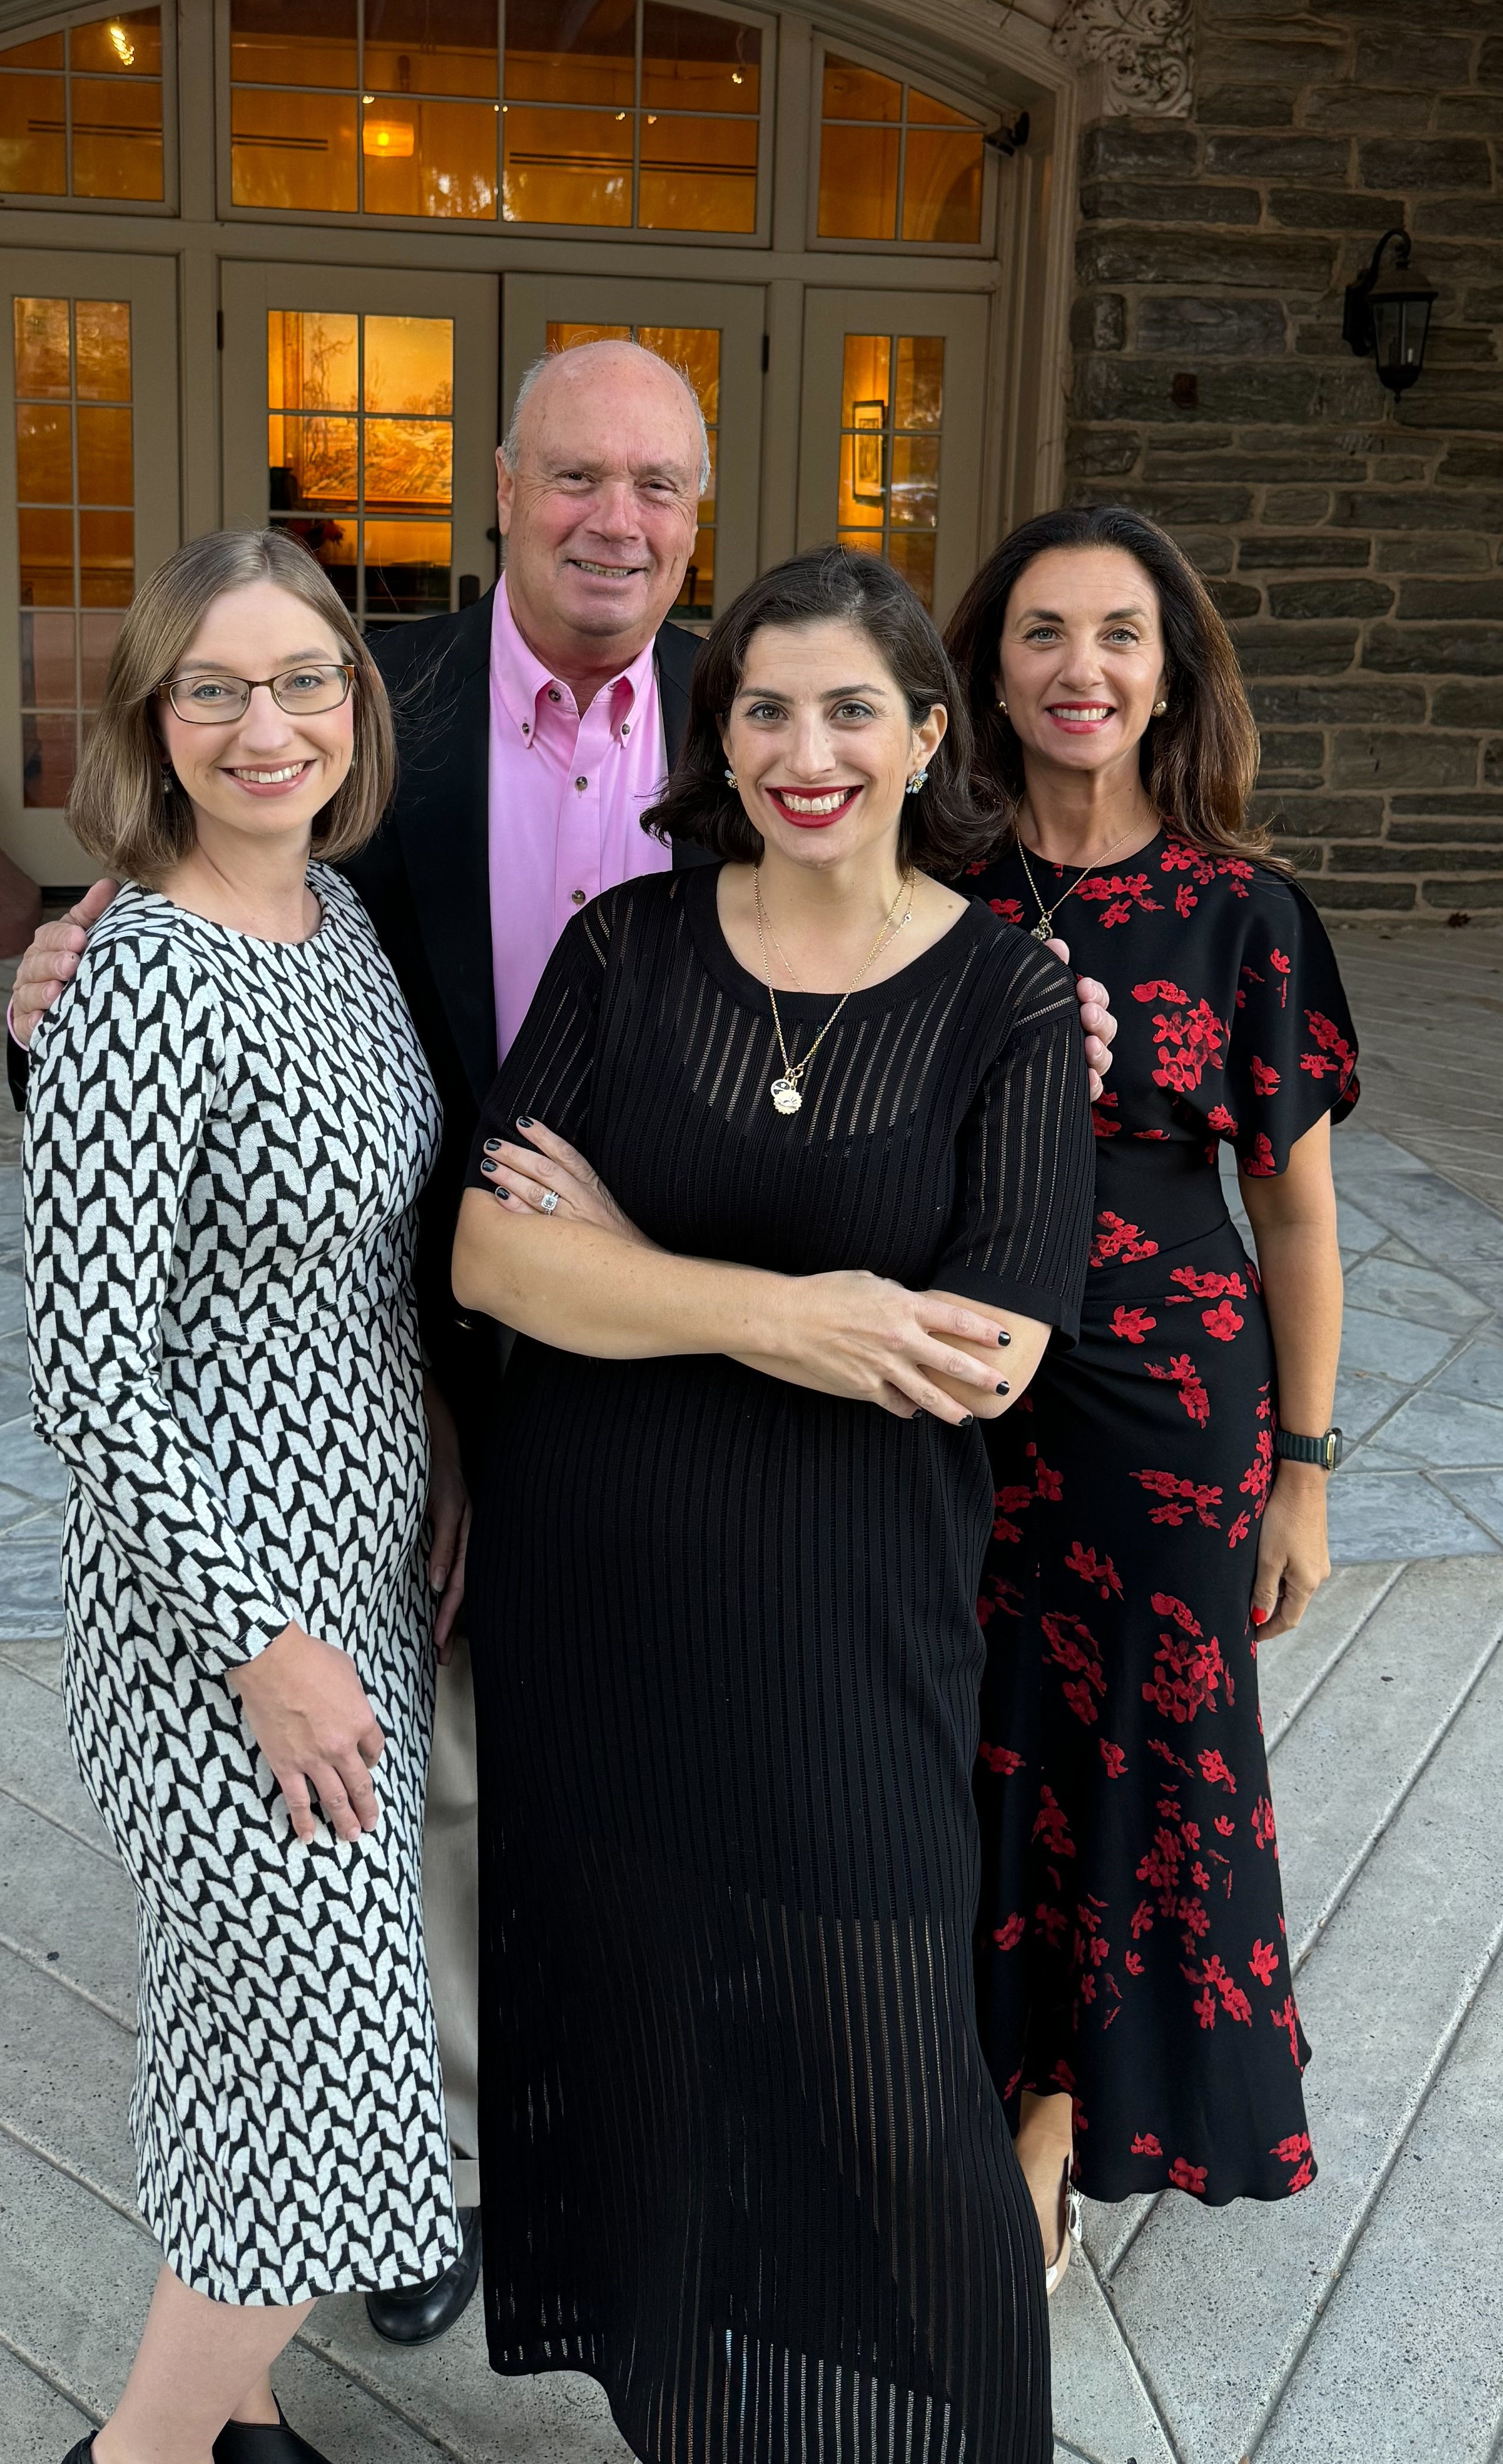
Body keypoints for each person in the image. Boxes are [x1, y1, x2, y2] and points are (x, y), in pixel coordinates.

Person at [4, 340, 1122, 2345]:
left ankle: (660, 2140)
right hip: (421, 1338)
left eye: (659, 485)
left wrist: (1044, 1027)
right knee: (421, 1804)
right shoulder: (356, 703)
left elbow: (890, 902)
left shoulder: (753, 697)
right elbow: (183, 966)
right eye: (578, 476)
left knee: (651, 1780)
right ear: (502, 488)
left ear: (699, 515)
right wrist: (55, 1008)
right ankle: (431, 2179)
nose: (618, 519)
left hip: (695, 1372)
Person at [451, 545, 1098, 2464]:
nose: (808, 752)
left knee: (889, 2058)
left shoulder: (1004, 993)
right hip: (600, 1597)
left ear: (927, 735)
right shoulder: (625, 950)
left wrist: (635, 1268)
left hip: (850, 1610)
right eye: (765, 710)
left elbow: (986, 1354)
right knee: (648, 2026)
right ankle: (692, 2420)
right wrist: (795, 1312)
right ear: (717, 738)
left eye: (849, 711)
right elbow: (494, 1258)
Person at [24, 526, 468, 2464]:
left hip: (361, 1574)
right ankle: (141, 2447)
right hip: (218, 1623)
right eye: (213, 687)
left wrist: (434, 1439)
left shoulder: (339, 922)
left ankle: (243, 2414)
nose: (263, 723)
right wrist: (265, 1644)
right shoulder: (141, 971)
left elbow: (361, 1250)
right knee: (327, 2059)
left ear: (354, 703)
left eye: (303, 679)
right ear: (153, 718)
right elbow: (89, 1366)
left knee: (248, 2039)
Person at [940, 506, 1359, 2285]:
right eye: (1043, 631)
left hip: (1165, 1417)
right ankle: (940, 2081)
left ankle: (1048, 2128)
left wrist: (1306, 1473)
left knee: (1120, 1765)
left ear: (1172, 673)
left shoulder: (1243, 912)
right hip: (946, 1394)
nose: (1082, 668)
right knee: (959, 1739)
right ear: (989, 667)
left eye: (1120, 633)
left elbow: (1297, 1214)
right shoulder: (926, 883)